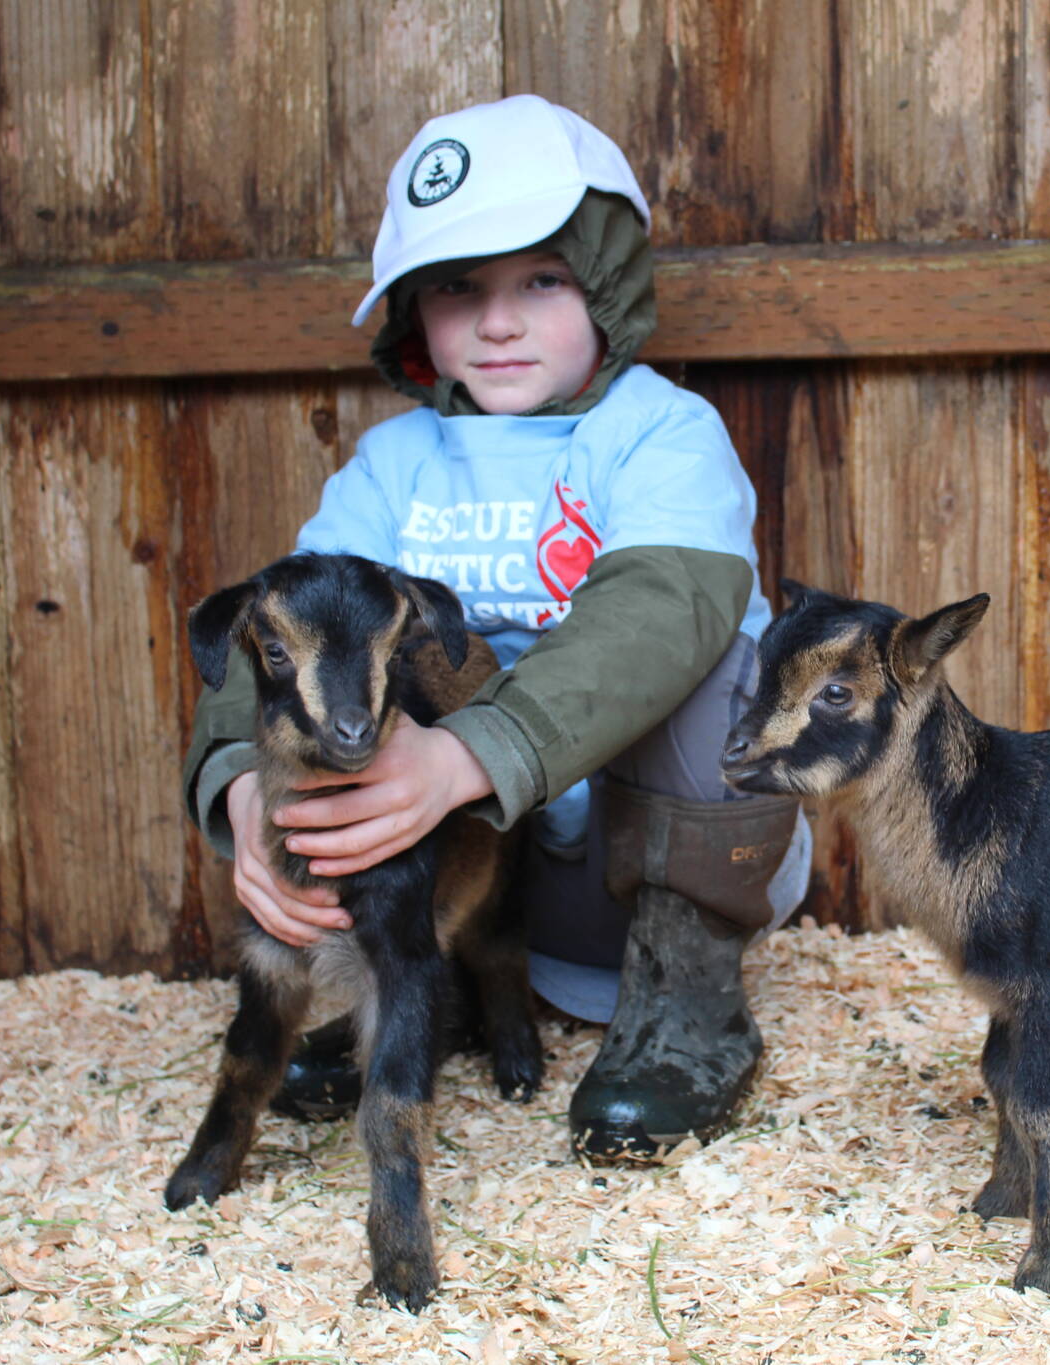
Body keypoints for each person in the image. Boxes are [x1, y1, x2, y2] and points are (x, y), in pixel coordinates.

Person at [179, 94, 810, 1158]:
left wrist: (468, 755)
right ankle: (438, 989)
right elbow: (270, 639)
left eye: (543, 281)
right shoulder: (392, 466)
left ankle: (683, 1014)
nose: (498, 321)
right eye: (457, 290)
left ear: (606, 280)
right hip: (462, 878)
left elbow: (665, 611)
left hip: (650, 871)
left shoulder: (657, 432)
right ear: (415, 315)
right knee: (338, 662)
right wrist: (243, 786)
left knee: (709, 665)